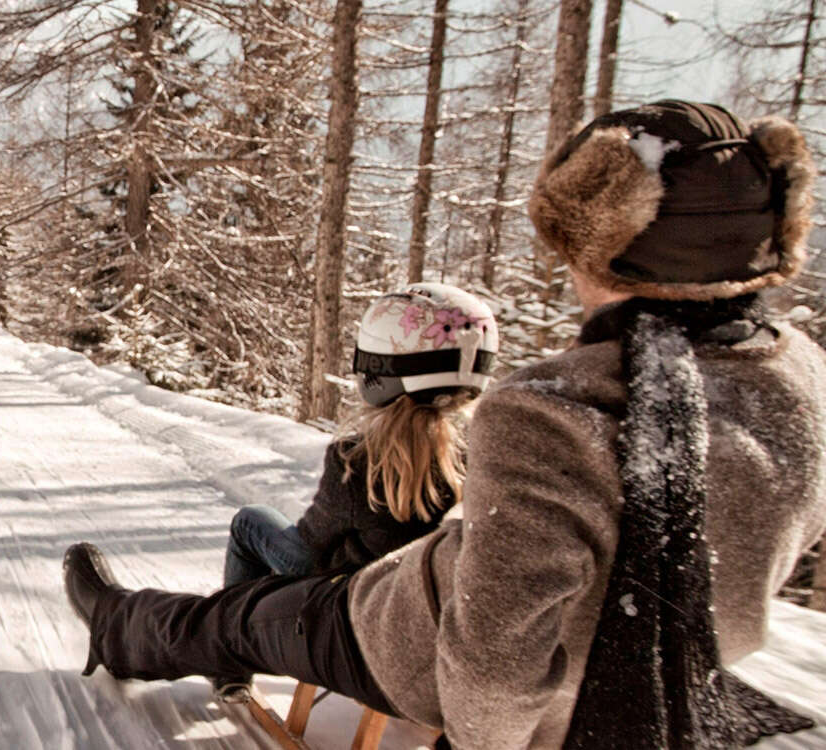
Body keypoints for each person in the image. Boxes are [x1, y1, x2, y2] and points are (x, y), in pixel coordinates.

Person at [64, 100, 826, 749]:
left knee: (239, 616)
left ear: (605, 244)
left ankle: (120, 626)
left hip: (402, 637)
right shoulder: (800, 383)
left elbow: (491, 674)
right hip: (668, 675)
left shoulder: (557, 410)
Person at [224, 282, 492, 592]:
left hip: (347, 598)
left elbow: (313, 544)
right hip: (416, 598)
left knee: (251, 521)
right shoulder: (477, 460)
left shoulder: (356, 460)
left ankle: (227, 633)